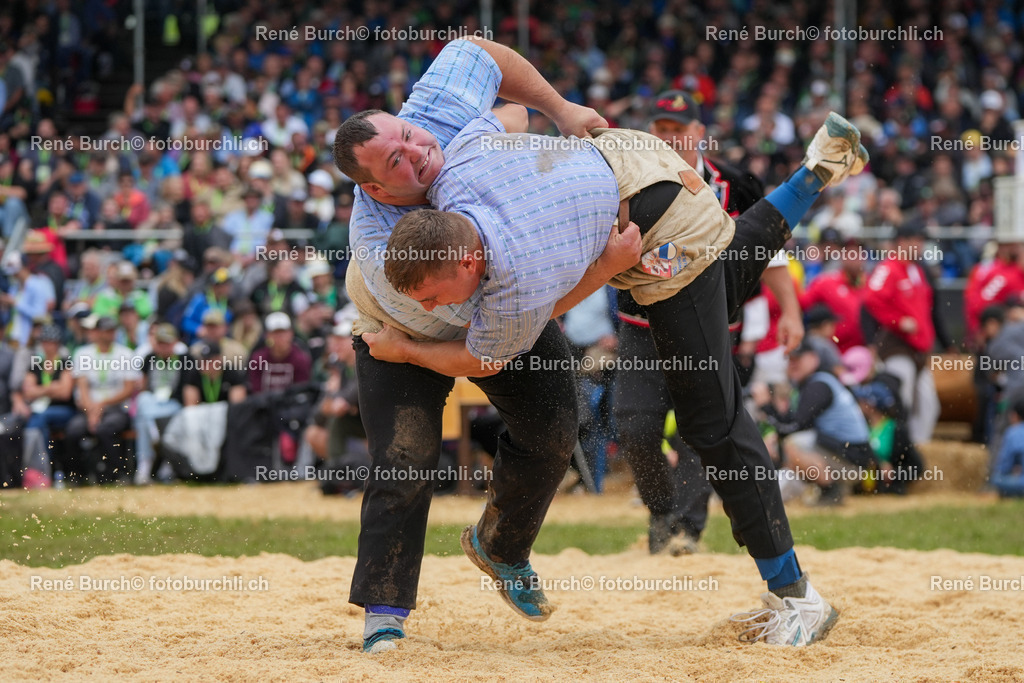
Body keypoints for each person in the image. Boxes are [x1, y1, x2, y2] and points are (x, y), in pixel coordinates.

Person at [333, 38, 867, 650]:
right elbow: (508, 118)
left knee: (708, 420)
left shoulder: (502, 258)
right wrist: (555, 117)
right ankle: (814, 172)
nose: (419, 150)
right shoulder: (435, 191)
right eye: (396, 162)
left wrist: (559, 111)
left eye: (409, 137)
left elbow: (498, 341)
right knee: (725, 278)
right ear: (374, 191)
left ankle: (797, 596)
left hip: (648, 226)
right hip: (619, 174)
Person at [614, 90, 803, 555]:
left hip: (710, 326)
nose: (669, 137)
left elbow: (769, 252)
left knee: (701, 430)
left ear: (699, 133)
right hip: (640, 325)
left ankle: (686, 531)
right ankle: (661, 509)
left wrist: (792, 311)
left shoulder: (736, 186)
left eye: (678, 130)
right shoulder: (625, 180)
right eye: (661, 129)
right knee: (634, 426)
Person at [752, 341, 874, 505]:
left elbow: (792, 428)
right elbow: (793, 423)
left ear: (813, 359)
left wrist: (766, 406)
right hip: (851, 454)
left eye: (798, 359)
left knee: (792, 444)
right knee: (791, 448)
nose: (793, 364)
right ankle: (824, 489)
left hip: (853, 460)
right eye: (790, 360)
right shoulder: (820, 382)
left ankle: (831, 491)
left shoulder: (818, 385)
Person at [862, 226, 950, 444]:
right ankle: (898, 453)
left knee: (929, 405)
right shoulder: (888, 267)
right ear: (901, 241)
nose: (920, 246)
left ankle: (916, 452)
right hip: (896, 346)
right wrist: (897, 321)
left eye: (921, 241)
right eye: (916, 240)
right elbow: (871, 299)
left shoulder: (916, 270)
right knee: (901, 402)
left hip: (918, 349)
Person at [65, 315, 140, 485]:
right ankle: (77, 475)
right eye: (107, 330)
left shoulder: (126, 354)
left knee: (106, 429)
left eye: (113, 330)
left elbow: (128, 389)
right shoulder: (83, 353)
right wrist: (92, 411)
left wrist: (102, 405)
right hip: (89, 408)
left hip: (116, 408)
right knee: (73, 431)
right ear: (97, 332)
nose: (111, 334)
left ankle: (119, 474)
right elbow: (82, 388)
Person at [21, 323, 75, 488]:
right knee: (39, 425)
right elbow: (27, 392)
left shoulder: (65, 362)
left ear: (57, 343)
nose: (47, 345)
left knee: (37, 420)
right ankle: (43, 469)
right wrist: (52, 387)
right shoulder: (37, 363)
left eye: (51, 341)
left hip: (64, 410)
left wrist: (39, 390)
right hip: (42, 412)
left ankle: (39, 469)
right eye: (44, 341)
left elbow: (65, 392)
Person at [133, 323, 187, 485]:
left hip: (174, 405)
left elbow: (187, 392)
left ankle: (150, 465)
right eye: (160, 342)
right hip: (153, 403)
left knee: (145, 417)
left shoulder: (186, 360)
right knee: (143, 402)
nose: (164, 347)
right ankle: (149, 461)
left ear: (175, 342)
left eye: (167, 342)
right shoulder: (149, 358)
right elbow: (142, 388)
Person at [992, 397, 1024, 498]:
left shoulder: (1013, 432)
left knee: (996, 478)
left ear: (1015, 415)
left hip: (1021, 484)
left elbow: (1003, 466)